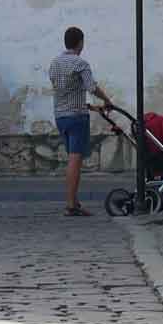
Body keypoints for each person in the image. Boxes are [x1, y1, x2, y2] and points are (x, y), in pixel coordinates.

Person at [47, 27, 113, 217]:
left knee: (71, 158)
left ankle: (74, 200)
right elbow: (91, 87)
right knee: (75, 160)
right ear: (80, 43)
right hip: (77, 117)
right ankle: (71, 204)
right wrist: (107, 100)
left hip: (60, 116)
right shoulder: (80, 63)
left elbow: (63, 91)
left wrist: (89, 106)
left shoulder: (55, 63)